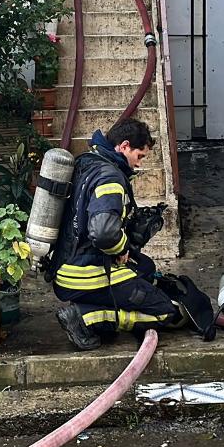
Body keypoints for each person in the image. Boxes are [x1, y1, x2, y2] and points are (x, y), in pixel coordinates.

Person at [51, 118, 178, 350]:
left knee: (146, 268)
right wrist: (122, 249)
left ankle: (90, 304)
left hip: (65, 266)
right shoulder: (110, 177)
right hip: (84, 274)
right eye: (139, 156)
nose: (139, 164)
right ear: (124, 146)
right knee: (164, 311)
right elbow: (103, 233)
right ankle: (84, 317)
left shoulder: (88, 164)